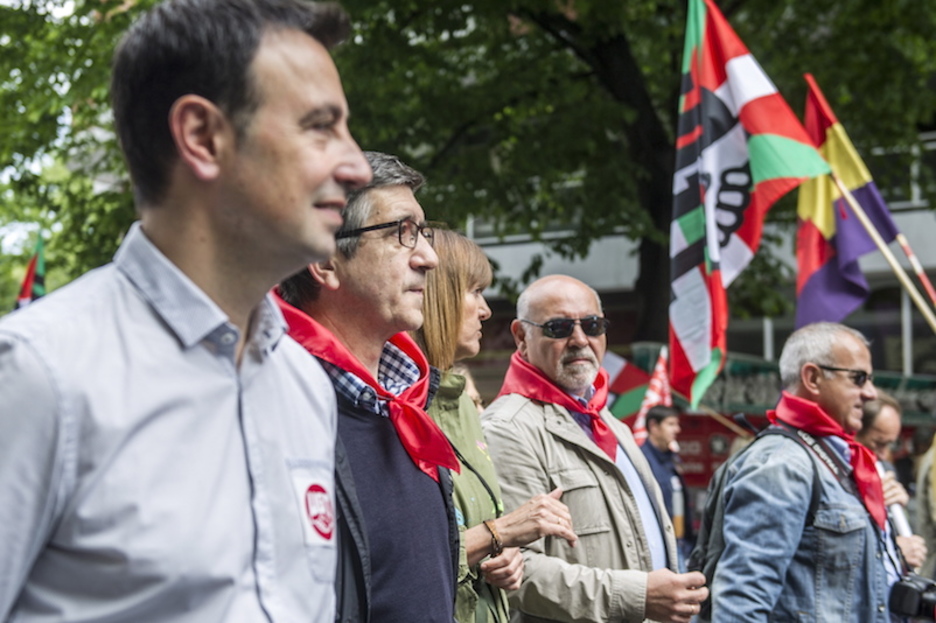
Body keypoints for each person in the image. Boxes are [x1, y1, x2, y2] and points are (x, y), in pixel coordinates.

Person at [0, 0, 371, 620]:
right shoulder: (38, 375)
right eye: (320, 127)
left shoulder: (305, 383)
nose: (357, 164)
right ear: (202, 137)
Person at [276, 151, 459, 622]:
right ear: (325, 262)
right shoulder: (273, 412)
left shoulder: (406, 403)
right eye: (402, 232)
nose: (430, 258)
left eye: (423, 233)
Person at [481, 274, 708, 623]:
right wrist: (639, 596)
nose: (579, 340)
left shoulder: (606, 419)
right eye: (558, 328)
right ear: (521, 337)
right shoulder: (508, 429)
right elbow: (516, 570)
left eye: (592, 325)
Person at [413, 230, 578, 623]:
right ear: (436, 295)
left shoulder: (465, 408)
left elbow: (475, 540)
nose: (486, 310)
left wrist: (504, 556)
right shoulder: (396, 407)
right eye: (474, 291)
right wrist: (497, 534)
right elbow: (397, 563)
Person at [711, 322, 896, 621]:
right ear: (812, 377)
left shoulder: (832, 459)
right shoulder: (782, 464)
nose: (871, 393)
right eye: (858, 378)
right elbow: (741, 601)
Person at [858, 392, 927, 569]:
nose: (884, 454)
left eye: (890, 444)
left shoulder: (885, 469)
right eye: (878, 443)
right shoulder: (835, 476)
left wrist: (900, 511)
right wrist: (892, 548)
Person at [641, 405, 694, 572]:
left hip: (680, 542)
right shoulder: (641, 461)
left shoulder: (672, 460)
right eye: (670, 424)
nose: (677, 429)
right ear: (653, 427)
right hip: (658, 544)